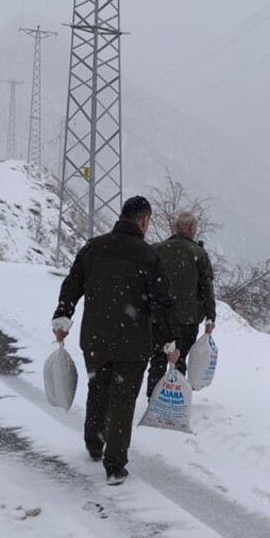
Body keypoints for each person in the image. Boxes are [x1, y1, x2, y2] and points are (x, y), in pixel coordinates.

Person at [52, 196, 180, 486]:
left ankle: (94, 444)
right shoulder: (148, 256)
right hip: (132, 343)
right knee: (123, 400)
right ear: (144, 221)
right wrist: (171, 341)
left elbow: (72, 284)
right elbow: (163, 303)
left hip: (95, 338)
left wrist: (62, 319)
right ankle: (114, 464)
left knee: (97, 387)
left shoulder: (94, 247)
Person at [147, 211, 217, 396]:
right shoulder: (199, 254)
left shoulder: (157, 249)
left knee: (158, 359)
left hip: (158, 317)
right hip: (187, 319)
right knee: (179, 358)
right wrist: (210, 317)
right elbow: (206, 288)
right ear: (192, 228)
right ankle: (173, 400)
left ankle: (152, 398)